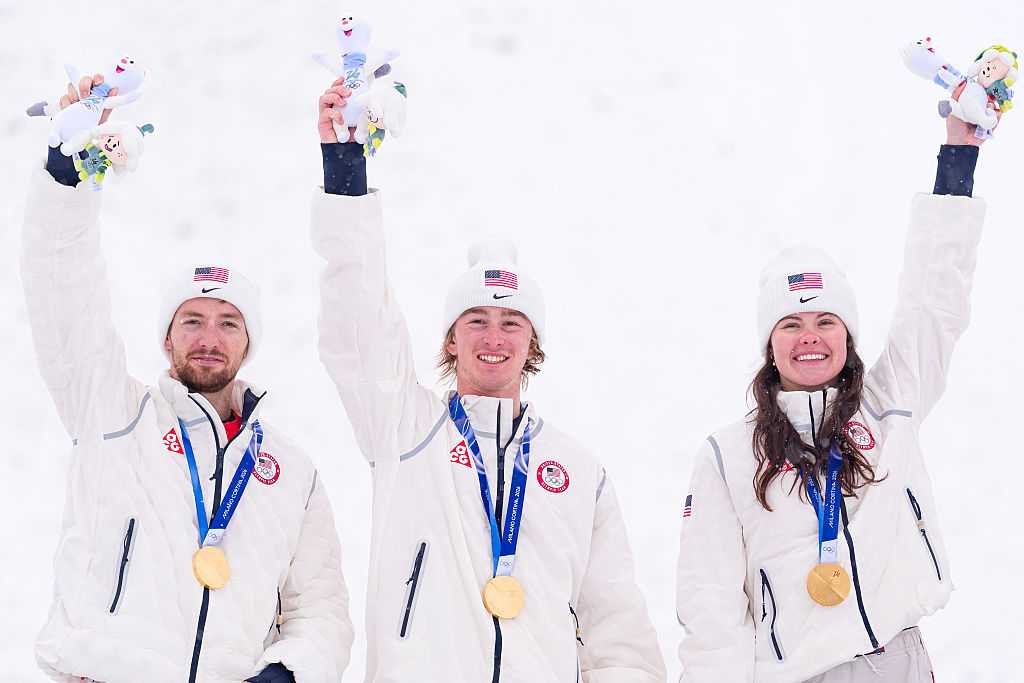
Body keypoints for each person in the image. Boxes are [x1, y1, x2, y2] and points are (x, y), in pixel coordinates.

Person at [311, 77, 666, 682]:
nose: (493, 337)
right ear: (450, 339)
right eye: (475, 320)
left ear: (534, 343)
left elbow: (617, 628)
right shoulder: (406, 429)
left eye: (511, 322)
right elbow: (357, 315)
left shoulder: (577, 471)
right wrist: (347, 174)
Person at [22, 75, 352, 683]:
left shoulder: (292, 473)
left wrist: (288, 672)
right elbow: (63, 294)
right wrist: (67, 178)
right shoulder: (113, 415)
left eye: (229, 322)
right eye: (192, 319)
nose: (209, 335)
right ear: (167, 338)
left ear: (248, 343)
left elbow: (321, 609)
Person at [674, 112, 991, 682]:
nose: (811, 337)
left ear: (848, 334)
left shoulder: (890, 401)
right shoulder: (728, 455)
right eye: (791, 325)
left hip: (902, 662)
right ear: (769, 344)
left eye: (826, 320)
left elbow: (934, 299)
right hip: (803, 673)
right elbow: (711, 606)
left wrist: (958, 160)